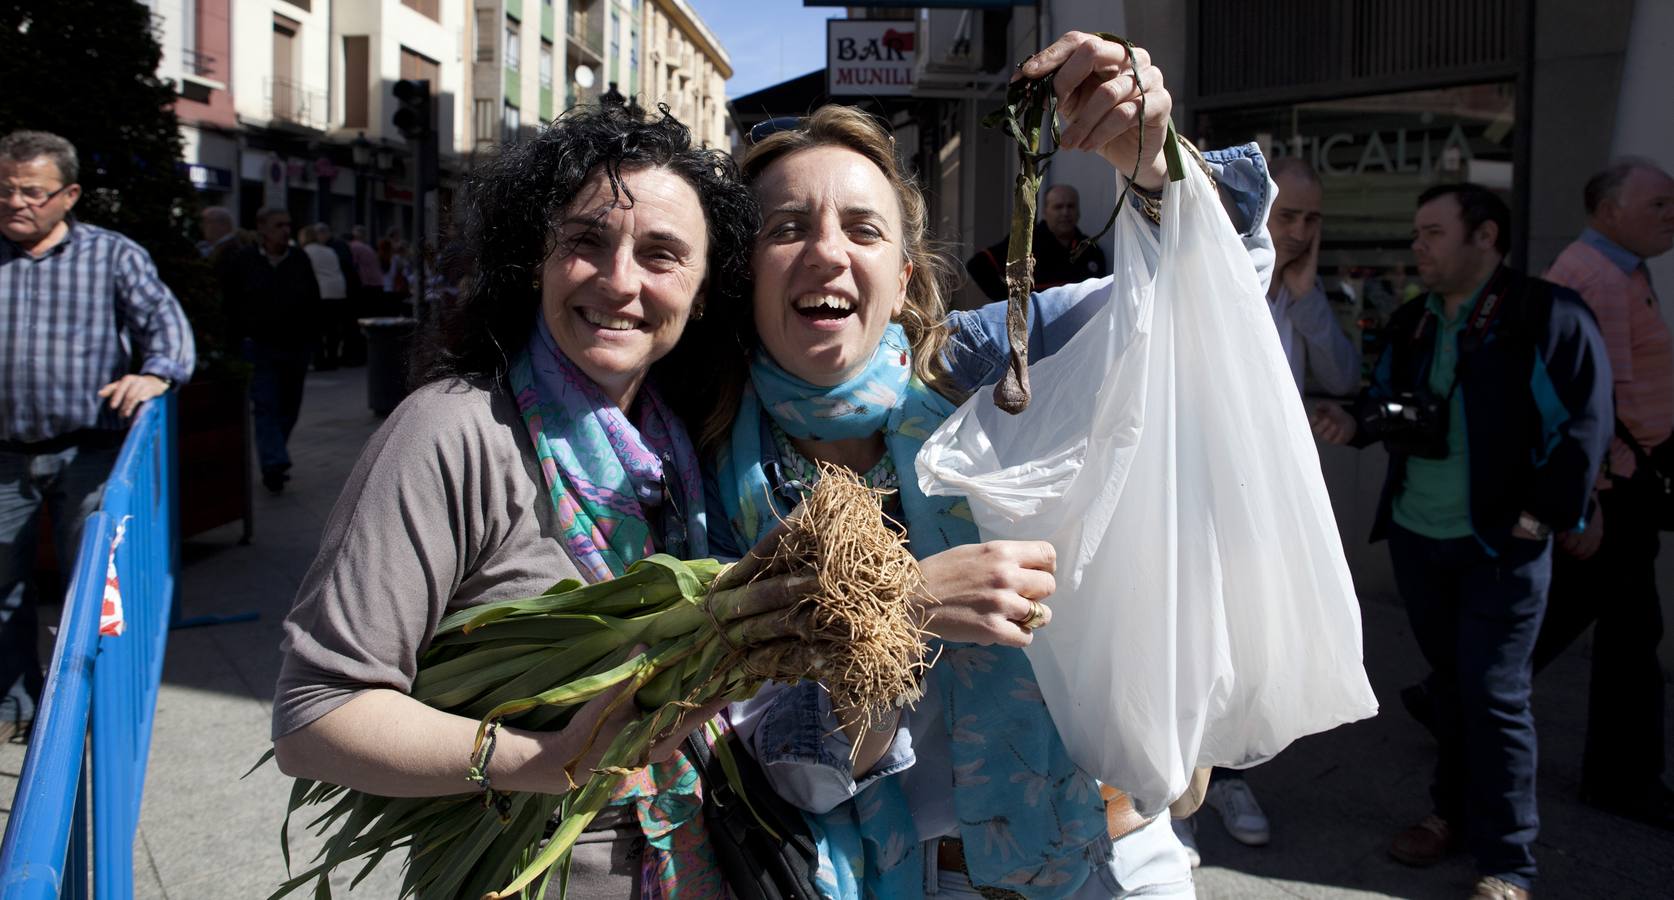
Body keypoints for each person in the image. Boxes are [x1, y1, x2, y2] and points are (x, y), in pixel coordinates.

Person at [697, 32, 1279, 898]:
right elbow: (800, 772)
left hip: (1121, 861)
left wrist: (1151, 160)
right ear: (745, 275)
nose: (827, 252)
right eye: (788, 228)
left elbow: (1203, 296)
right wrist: (904, 606)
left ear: (901, 279)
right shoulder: (716, 474)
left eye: (863, 228)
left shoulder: (987, 367)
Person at [271, 106, 761, 895]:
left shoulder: (691, 449)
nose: (620, 280)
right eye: (586, 242)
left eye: (662, 255)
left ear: (703, 294)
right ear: (537, 258)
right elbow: (316, 716)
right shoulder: (455, 432)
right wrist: (538, 762)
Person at [1313, 183, 1612, 900]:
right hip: (1420, 537)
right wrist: (1352, 423)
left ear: (1486, 237)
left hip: (1499, 547)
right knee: (1452, 687)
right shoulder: (1414, 319)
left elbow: (1582, 427)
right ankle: (1449, 815)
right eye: (1417, 231)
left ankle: (1509, 862)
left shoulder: (1546, 315)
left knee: (1495, 693)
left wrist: (1540, 522)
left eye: (1433, 232)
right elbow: (1385, 404)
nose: (1418, 245)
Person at [0, 129, 194, 742]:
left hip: (90, 451)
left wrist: (155, 374)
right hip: (7, 456)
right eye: (5, 190)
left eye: (32, 191)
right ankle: (15, 705)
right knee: (3, 587)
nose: (15, 202)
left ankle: (88, 709)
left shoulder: (113, 256)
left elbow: (168, 327)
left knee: (92, 587)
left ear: (69, 194)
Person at [1534, 158, 1674, 830]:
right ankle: (1622, 777)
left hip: (1623, 475)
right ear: (1610, 210)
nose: (1670, 216)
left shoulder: (1620, 269)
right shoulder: (1595, 275)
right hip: (1617, 482)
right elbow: (1594, 395)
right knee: (1630, 631)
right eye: (1658, 205)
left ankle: (1448, 699)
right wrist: (1595, 490)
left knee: (1568, 611)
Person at [222, 207, 321, 494]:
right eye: (279, 225)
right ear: (262, 228)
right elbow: (230, 303)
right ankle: (274, 462)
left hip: (295, 346)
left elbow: (313, 300)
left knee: (289, 408)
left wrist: (313, 340)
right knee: (266, 406)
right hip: (259, 346)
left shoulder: (298, 259)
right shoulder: (244, 261)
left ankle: (274, 454)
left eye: (288, 225)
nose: (286, 230)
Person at [1263, 157, 1360, 397]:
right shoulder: (1225, 277)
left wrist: (1307, 298)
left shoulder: (1302, 285)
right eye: (1287, 217)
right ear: (1259, 209)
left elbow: (1342, 382)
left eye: (1311, 220)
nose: (1299, 233)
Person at [965, 184, 1110, 299]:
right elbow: (978, 265)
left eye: (1070, 206)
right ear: (1045, 212)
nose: (1065, 213)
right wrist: (1009, 300)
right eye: (1058, 207)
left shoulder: (1091, 249)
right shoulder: (1028, 242)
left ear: (1078, 211)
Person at [301, 223, 351, 370]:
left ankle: (320, 360)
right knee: (333, 329)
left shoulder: (306, 251)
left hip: (322, 292)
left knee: (316, 329)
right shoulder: (330, 250)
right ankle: (333, 359)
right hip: (338, 291)